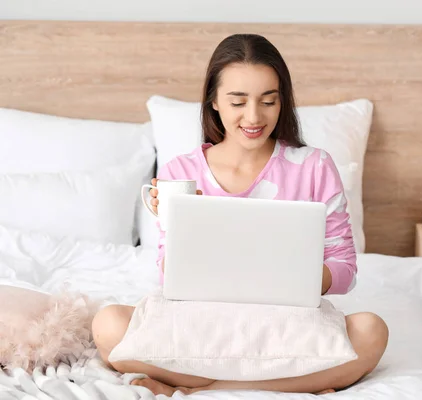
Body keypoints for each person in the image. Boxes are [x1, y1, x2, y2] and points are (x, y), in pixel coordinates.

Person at [92, 33, 388, 397]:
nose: (254, 117)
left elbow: (344, 269)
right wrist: (187, 221)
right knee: (108, 325)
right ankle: (282, 383)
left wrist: (297, 280)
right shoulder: (181, 172)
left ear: (283, 102)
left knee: (371, 331)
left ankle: (198, 384)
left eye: (268, 101)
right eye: (238, 102)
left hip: (286, 324)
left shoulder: (314, 166)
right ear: (214, 101)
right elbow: (170, 275)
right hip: (199, 323)